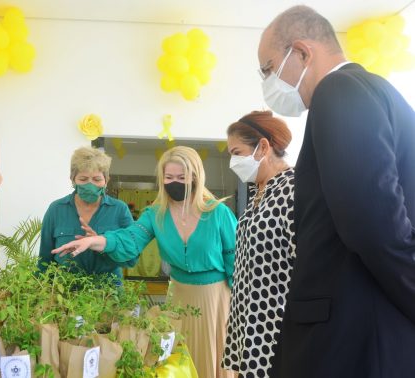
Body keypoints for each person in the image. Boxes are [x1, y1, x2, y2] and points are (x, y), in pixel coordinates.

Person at [258, 6, 415, 378]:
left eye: (267, 69)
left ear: (301, 52)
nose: (266, 83)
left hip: (352, 335)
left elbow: (374, 225)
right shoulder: (378, 93)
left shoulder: (339, 91)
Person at [52, 146, 238, 378]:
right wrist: (97, 241)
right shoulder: (155, 214)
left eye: (182, 177)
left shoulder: (219, 213)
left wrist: (241, 307)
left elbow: (237, 263)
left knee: (213, 360)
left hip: (216, 300)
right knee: (175, 362)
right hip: (179, 298)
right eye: (169, 177)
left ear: (196, 176)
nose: (174, 183)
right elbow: (130, 238)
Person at [222, 110, 296, 378]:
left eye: (237, 151)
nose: (233, 161)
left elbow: (307, 262)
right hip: (249, 324)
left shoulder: (292, 189)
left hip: (275, 325)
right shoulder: (258, 193)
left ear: (263, 147)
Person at [39, 146, 137, 280]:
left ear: (106, 181)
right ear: (73, 180)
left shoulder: (119, 210)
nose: (90, 185)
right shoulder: (56, 209)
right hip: (64, 291)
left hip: (107, 293)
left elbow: (131, 259)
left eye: (97, 180)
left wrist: (101, 244)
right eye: (83, 179)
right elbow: (44, 259)